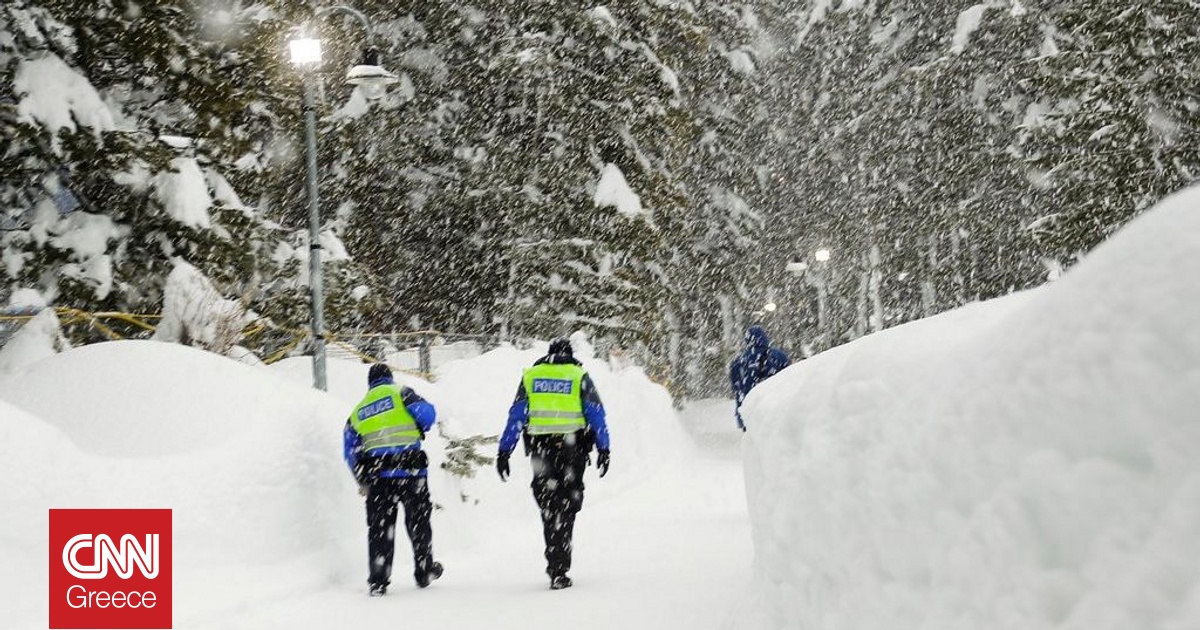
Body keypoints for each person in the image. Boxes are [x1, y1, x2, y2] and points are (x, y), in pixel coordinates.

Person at [496, 339, 611, 590]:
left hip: (541, 452)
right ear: (569, 354)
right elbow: (596, 414)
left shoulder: (531, 377)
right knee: (568, 505)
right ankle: (560, 565)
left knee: (548, 505)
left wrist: (504, 451)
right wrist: (604, 448)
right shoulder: (579, 375)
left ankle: (555, 561)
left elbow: (516, 416)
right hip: (573, 452)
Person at [343, 363, 443, 596]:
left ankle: (378, 581)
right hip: (411, 474)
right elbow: (428, 416)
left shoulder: (358, 410)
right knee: (418, 523)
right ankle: (424, 571)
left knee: (380, 530)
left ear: (370, 383)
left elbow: (350, 451)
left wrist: (362, 480)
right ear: (389, 377)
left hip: (379, 480)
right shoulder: (402, 393)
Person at [730, 325, 790, 431]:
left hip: (748, 410)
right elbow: (791, 378)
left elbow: (736, 388)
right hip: (776, 408)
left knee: (752, 438)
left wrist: (741, 414)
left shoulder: (738, 362)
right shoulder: (779, 356)